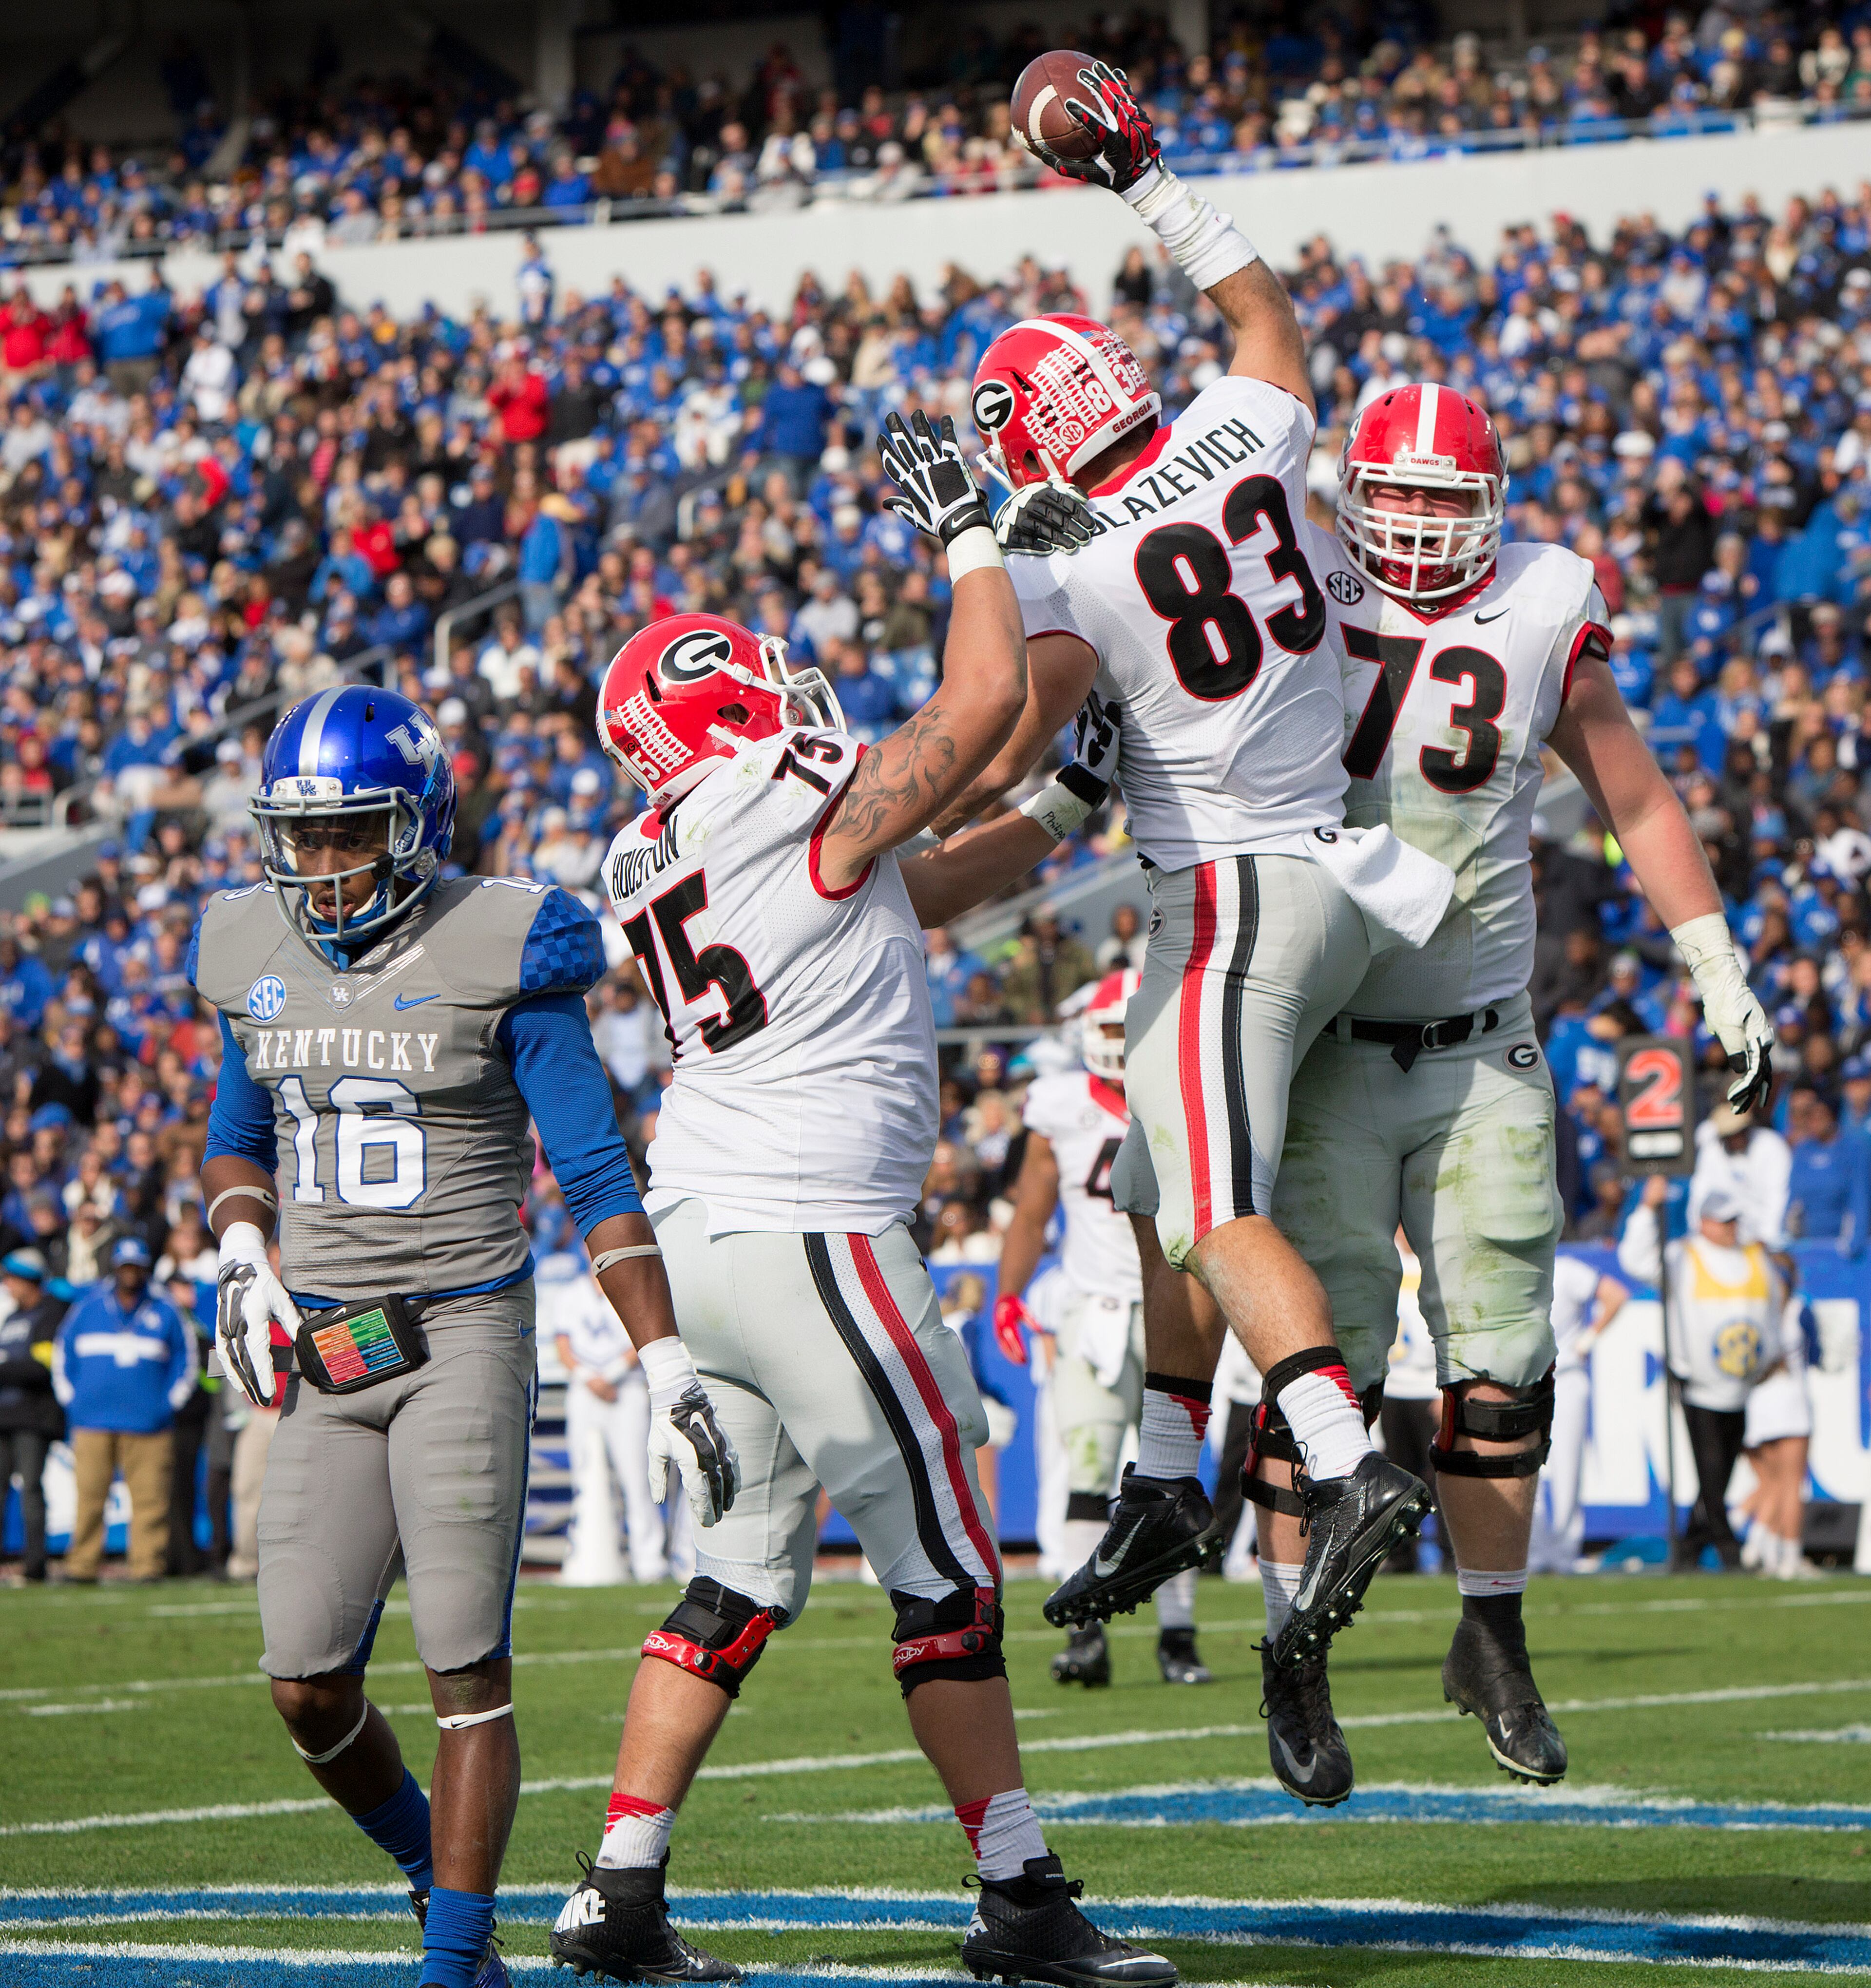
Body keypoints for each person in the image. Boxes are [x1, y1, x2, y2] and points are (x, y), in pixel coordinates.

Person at [550, 413, 1173, 1988]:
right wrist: (973, 532)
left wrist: (1064, 813)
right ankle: (1024, 1902)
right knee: (952, 1563)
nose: (790, 693)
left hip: (713, 1232)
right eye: (756, 679)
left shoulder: (678, 842)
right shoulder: (779, 797)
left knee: (746, 1562)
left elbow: (923, 875)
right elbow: (976, 710)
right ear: (723, 712)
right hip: (815, 1229)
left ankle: (618, 1890)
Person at [954, 62, 1456, 1729]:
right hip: (1327, 870)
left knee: (1217, 1205)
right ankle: (1170, 1466)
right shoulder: (1244, 425)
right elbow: (1261, 310)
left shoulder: (1069, 560)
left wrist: (969, 581)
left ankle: (1334, 1453)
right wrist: (1145, 176)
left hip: (1233, 891)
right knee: (1158, 1177)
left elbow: (1007, 730)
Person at [190, 683, 737, 1988]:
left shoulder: (508, 942)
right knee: (306, 1684)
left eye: (352, 835)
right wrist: (242, 1252)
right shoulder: (246, 945)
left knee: (463, 1669)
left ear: (420, 822)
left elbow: (596, 1173)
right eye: (303, 838)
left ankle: (455, 1964)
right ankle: (442, 1886)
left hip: (460, 1329)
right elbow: (236, 1139)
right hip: (324, 1346)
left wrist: (664, 1360)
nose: (322, 868)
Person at [994, 970, 1212, 1690]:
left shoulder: (1187, 1090)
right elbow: (1031, 1211)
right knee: (1087, 1475)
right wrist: (1008, 1293)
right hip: (1093, 1311)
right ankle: (1086, 1632)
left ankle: (1178, 1636)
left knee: (1172, 1480)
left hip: (1176, 1301)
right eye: (1109, 1030)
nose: (1119, 1044)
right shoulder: (1059, 1106)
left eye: (1130, 1029)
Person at [1620, 1180, 1785, 1569]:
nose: (1730, 1228)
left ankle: (1691, 1545)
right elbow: (1636, 1261)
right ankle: (1728, 1546)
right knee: (1711, 1466)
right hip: (1699, 1384)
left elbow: (1772, 1307)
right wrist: (1646, 1210)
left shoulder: (1753, 1257)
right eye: (1723, 1221)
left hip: (1742, 1384)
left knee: (1723, 1468)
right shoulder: (1684, 1256)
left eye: (1733, 1221)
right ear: (1705, 1222)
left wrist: (1768, 1359)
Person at [53, 1235, 196, 1582]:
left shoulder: (165, 1309)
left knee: (151, 1502)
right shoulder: (88, 1306)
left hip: (149, 1424)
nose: (131, 1274)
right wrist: (73, 1400)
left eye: (137, 1267)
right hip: (91, 1421)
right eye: (125, 1267)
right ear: (116, 1268)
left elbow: (186, 1360)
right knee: (89, 1499)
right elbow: (63, 1353)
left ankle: (148, 1566)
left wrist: (168, 1404)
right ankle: (82, 1565)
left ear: (146, 1269)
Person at [545, 1246, 670, 1587]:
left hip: (626, 1389)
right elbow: (563, 1345)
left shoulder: (629, 1288)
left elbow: (641, 1336)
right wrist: (591, 1379)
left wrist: (612, 1374)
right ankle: (587, 1553)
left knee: (637, 1478)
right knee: (585, 1475)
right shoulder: (571, 1294)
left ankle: (650, 1561)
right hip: (585, 1390)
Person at [1529, 1256, 1627, 1575]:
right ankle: (1534, 1549)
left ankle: (1564, 1551)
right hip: (1523, 1378)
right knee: (1529, 1465)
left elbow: (1615, 1295)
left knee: (1568, 1467)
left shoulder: (1568, 1269)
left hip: (1565, 1374)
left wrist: (1587, 1340)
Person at [1739, 1259, 1815, 1578]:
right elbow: (1819, 1353)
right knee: (1791, 1484)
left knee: (1770, 1482)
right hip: (1791, 1400)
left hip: (1757, 1403)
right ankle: (1790, 1557)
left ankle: (1759, 1546)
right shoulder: (1799, 1309)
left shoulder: (1751, 1310)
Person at [0, 1246, 67, 1582]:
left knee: (30, 1490)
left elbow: (42, 1367)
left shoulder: (48, 1315)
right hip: (5, 1417)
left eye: (12, 1278)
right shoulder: (12, 1318)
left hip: (33, 1419)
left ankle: (35, 1565)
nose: (7, 1285)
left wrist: (5, 1368)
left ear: (29, 1281)